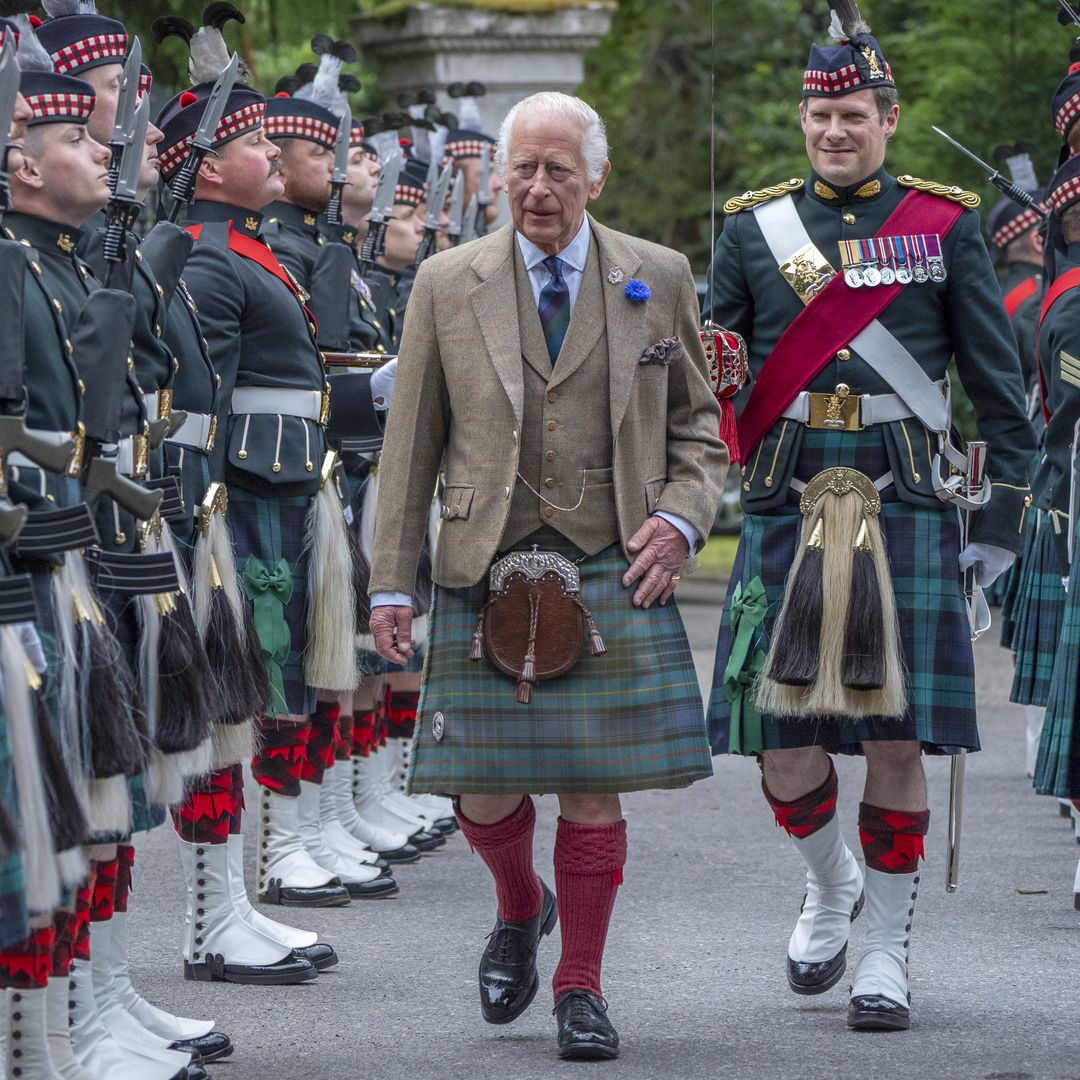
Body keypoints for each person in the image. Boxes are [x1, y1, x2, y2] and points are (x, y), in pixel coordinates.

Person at [369, 90, 726, 1060]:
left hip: (614, 558)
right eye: (523, 168)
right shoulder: (447, 282)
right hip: (481, 562)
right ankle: (521, 905)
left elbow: (700, 428)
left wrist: (682, 518)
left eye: (557, 170)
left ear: (594, 178)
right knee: (480, 787)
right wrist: (391, 583)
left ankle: (581, 987)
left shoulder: (657, 276)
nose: (536, 187)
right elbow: (410, 447)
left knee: (591, 783)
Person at [706, 1, 1035, 1033]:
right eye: (821, 119)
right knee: (780, 739)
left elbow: (995, 383)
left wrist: (1001, 521)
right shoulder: (752, 232)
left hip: (902, 495)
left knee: (897, 737)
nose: (836, 133)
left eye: (854, 115)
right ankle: (831, 879)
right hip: (787, 494)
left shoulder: (943, 225)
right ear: (804, 125)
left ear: (888, 119)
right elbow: (720, 373)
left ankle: (886, 945)